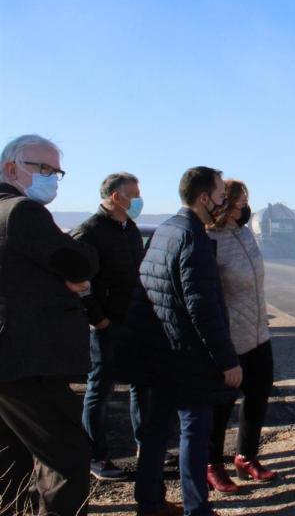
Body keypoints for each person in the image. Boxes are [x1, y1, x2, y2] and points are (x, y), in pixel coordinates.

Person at [0, 135, 99, 516]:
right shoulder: (22, 211)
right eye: (43, 169)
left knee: (12, 456)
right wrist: (78, 269)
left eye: (56, 171)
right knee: (68, 458)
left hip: (11, 360)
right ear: (12, 168)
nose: (52, 178)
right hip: (29, 360)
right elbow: (78, 263)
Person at [135, 166, 242, 516]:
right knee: (194, 433)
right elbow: (202, 308)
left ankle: (148, 502)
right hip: (188, 356)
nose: (223, 202)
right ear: (203, 198)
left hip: (160, 351)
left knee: (155, 431)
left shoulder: (166, 229)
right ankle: (196, 509)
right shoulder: (193, 238)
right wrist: (227, 360)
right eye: (221, 195)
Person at [70, 172, 145, 482]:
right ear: (117, 196)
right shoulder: (89, 232)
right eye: (135, 194)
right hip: (106, 326)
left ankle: (147, 445)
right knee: (100, 389)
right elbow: (76, 283)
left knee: (143, 383)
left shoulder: (130, 228)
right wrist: (97, 319)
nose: (139, 200)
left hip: (135, 321)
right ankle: (96, 457)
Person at [205, 180, 277, 494]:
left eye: (246, 203)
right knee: (220, 404)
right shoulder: (209, 240)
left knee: (258, 396)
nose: (244, 209)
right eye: (238, 203)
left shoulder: (245, 233)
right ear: (223, 205)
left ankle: (246, 457)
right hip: (230, 336)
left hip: (259, 332)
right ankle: (212, 465)